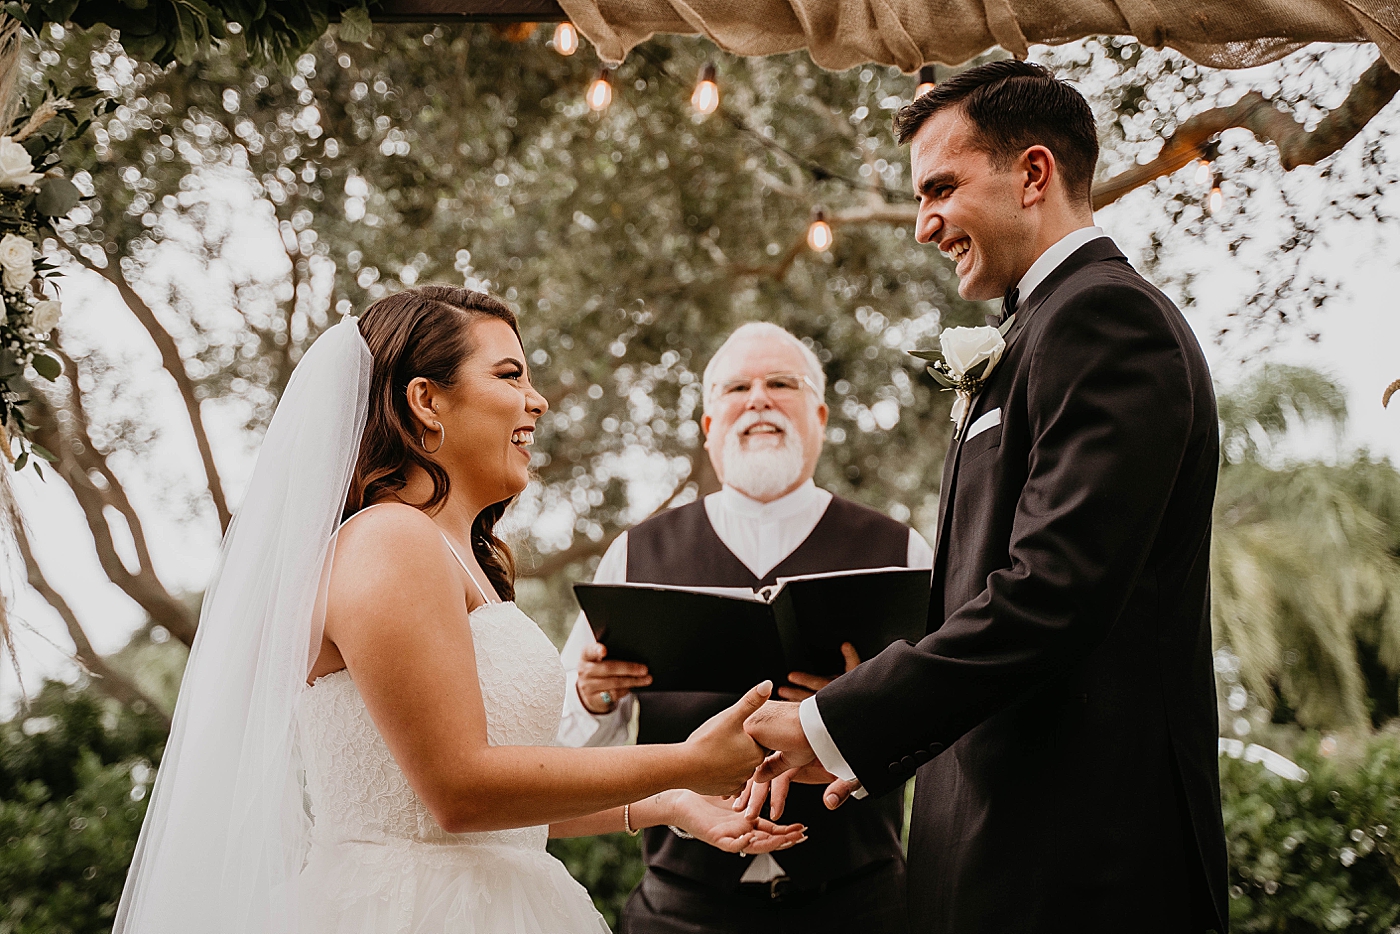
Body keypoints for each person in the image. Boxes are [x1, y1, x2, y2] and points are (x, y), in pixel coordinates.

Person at [114, 287, 805, 934]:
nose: (535, 402)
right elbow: (458, 792)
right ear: (426, 400)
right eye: (510, 376)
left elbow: (494, 808)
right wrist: (685, 760)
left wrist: (667, 803)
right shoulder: (389, 540)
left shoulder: (457, 557)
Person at [743, 61, 1229, 933]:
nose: (924, 225)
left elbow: (1050, 594)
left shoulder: (1107, 320)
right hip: (1004, 838)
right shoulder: (1040, 327)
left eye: (941, 189)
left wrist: (829, 722)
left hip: (1082, 858)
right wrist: (889, 743)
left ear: (1034, 173)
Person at [559, 322, 932, 934]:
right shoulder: (635, 555)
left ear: (819, 414)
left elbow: (951, 727)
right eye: (737, 388)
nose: (758, 398)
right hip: (679, 910)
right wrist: (590, 696)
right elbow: (565, 762)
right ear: (709, 429)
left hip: (863, 909)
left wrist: (872, 706)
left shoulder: (900, 551)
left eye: (781, 383)